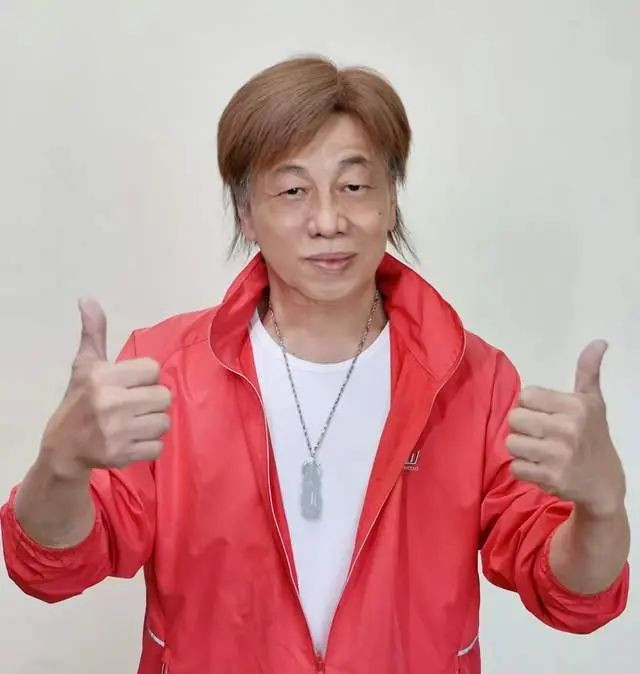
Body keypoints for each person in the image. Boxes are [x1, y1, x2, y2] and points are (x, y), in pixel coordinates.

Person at [1, 56, 630, 674]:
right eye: (293, 191)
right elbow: (50, 569)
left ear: (391, 202)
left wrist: (602, 508)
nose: (328, 221)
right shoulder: (164, 371)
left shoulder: (473, 379)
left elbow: (571, 597)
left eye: (354, 187)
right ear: (246, 214)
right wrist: (60, 464)